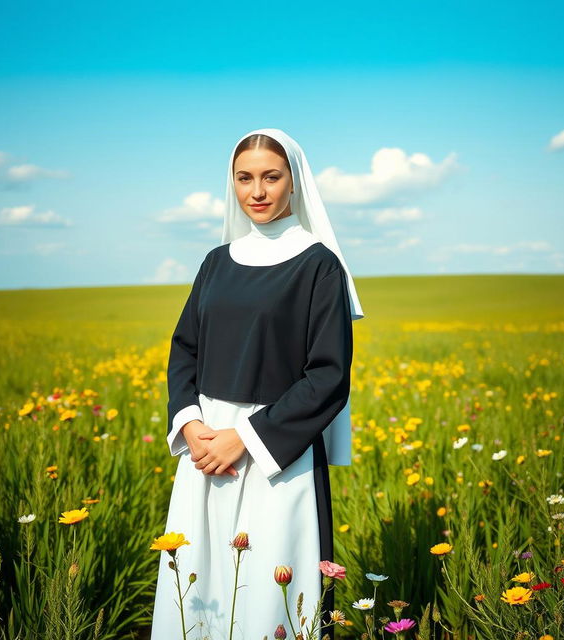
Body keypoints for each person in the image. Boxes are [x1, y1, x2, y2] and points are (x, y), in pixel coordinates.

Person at [150, 128, 365, 640]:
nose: (258, 191)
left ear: (295, 182)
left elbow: (328, 376)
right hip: (205, 452)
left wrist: (243, 438)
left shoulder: (318, 265)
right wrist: (191, 422)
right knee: (200, 591)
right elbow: (185, 349)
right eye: (244, 178)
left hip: (277, 456)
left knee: (273, 596)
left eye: (272, 177)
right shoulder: (216, 262)